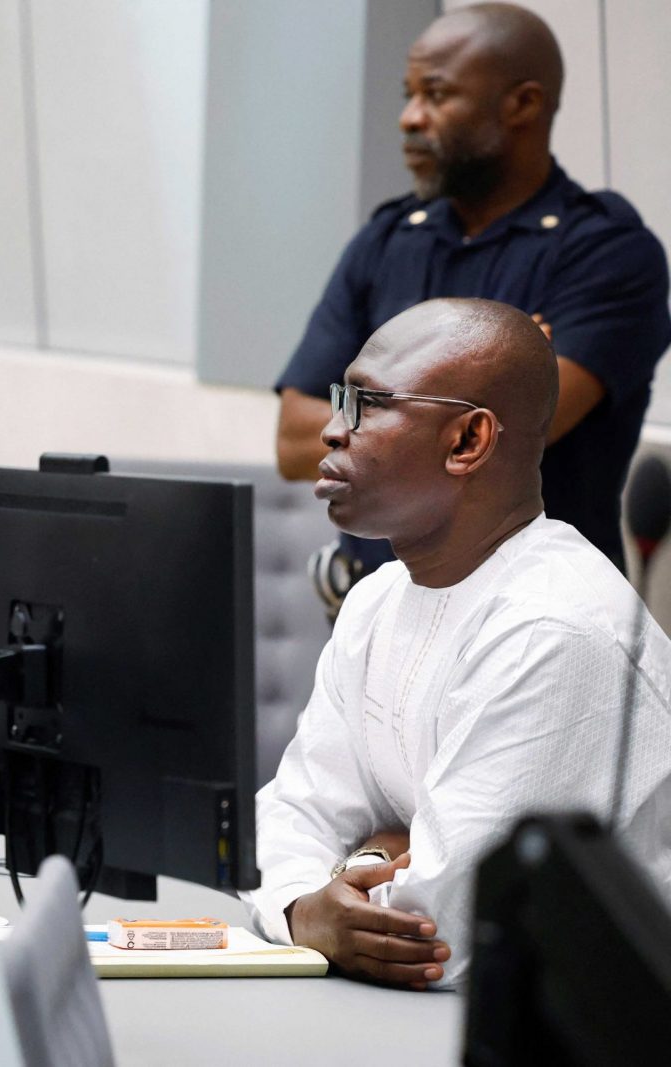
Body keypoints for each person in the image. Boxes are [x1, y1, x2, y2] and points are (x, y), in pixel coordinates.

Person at [244, 297, 671, 990]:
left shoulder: (553, 628)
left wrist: (346, 876)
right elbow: (286, 816)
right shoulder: (377, 598)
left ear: (467, 441)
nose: (329, 428)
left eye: (367, 403)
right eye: (337, 397)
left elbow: (436, 935)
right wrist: (323, 889)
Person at [275, 2, 670, 582]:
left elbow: (508, 436)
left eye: (436, 95)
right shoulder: (388, 240)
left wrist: (371, 407)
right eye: (408, 95)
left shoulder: (605, 251)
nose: (410, 118)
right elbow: (290, 440)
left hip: (533, 623)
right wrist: (461, 397)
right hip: (375, 611)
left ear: (522, 104)